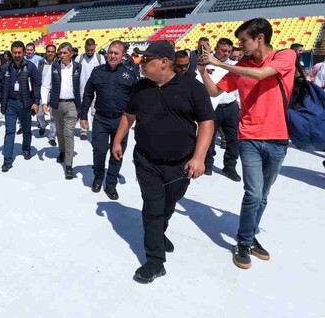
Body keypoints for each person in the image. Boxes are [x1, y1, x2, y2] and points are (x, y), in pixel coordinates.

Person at [112, 40, 214, 283]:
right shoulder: (140, 88)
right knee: (153, 209)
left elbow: (207, 123)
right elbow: (129, 115)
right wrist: (117, 141)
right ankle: (155, 261)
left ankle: (159, 232)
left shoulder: (192, 87)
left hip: (181, 165)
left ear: (164, 62)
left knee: (169, 205)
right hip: (147, 161)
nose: (142, 64)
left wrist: (199, 158)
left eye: (147, 60)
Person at [198, 18, 296, 270]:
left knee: (263, 195)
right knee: (253, 192)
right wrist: (202, 71)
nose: (240, 46)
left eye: (244, 40)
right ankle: (244, 242)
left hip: (278, 138)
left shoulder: (284, 56)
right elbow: (214, 92)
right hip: (249, 137)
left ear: (260, 38)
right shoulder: (241, 66)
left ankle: (250, 237)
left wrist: (221, 63)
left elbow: (263, 74)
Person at [81, 40, 138, 199]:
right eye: (110, 52)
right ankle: (98, 176)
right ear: (106, 54)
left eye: (116, 53)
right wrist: (83, 114)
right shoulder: (97, 72)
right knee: (99, 150)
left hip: (122, 121)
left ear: (122, 56)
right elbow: (88, 94)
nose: (112, 56)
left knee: (117, 152)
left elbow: (137, 98)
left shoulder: (130, 74)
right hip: (101, 118)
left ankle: (111, 182)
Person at [0, 40, 41, 172]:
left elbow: (37, 84)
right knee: (9, 131)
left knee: (26, 130)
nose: (17, 55)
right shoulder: (6, 68)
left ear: (23, 53)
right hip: (10, 103)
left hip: (25, 104)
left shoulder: (30, 66)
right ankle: (7, 160)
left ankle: (26, 149)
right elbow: (0, 86)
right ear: (11, 53)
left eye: (19, 52)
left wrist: (36, 101)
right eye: (15, 52)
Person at [41, 42, 81, 180]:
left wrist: (82, 105)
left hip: (72, 104)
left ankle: (69, 165)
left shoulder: (77, 67)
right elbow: (46, 85)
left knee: (69, 133)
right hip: (57, 104)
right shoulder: (54, 67)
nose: (61, 55)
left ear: (71, 53)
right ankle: (62, 151)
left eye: (64, 53)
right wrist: (45, 102)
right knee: (60, 131)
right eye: (60, 53)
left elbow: (82, 86)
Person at [204, 38, 241, 181]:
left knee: (233, 138)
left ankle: (230, 166)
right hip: (212, 106)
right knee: (209, 137)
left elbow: (238, 87)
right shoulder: (206, 64)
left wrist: (239, 103)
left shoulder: (235, 66)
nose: (226, 53)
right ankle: (207, 163)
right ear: (216, 49)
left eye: (229, 51)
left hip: (231, 107)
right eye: (223, 50)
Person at [78, 38, 105, 140]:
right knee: (83, 110)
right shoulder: (79, 59)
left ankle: (96, 130)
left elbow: (103, 73)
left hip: (96, 89)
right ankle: (84, 130)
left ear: (95, 47)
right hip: (82, 89)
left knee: (95, 110)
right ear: (85, 48)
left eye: (92, 50)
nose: (90, 52)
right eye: (88, 50)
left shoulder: (100, 58)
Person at [37, 44, 57, 147]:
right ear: (46, 52)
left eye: (52, 52)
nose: (50, 53)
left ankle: (52, 136)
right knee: (39, 114)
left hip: (54, 93)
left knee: (53, 117)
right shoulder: (40, 63)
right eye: (48, 51)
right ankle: (43, 124)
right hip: (42, 92)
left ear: (55, 53)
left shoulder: (58, 63)